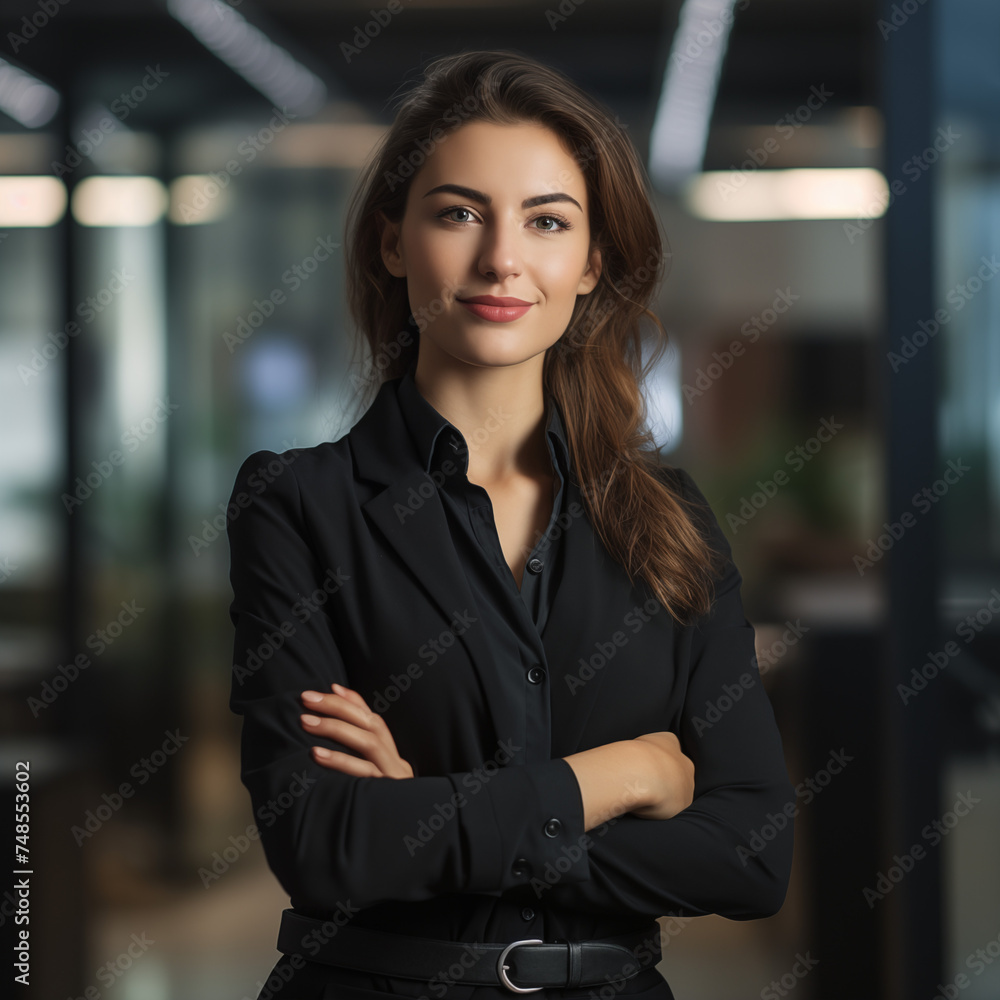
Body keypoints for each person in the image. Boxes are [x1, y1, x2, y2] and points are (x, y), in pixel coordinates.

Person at [227, 49, 795, 1000]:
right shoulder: (298, 507)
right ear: (391, 243)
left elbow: (751, 855)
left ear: (591, 262)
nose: (501, 259)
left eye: (546, 221)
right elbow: (323, 847)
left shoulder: (671, 522)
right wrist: (617, 778)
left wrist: (432, 818)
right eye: (458, 214)